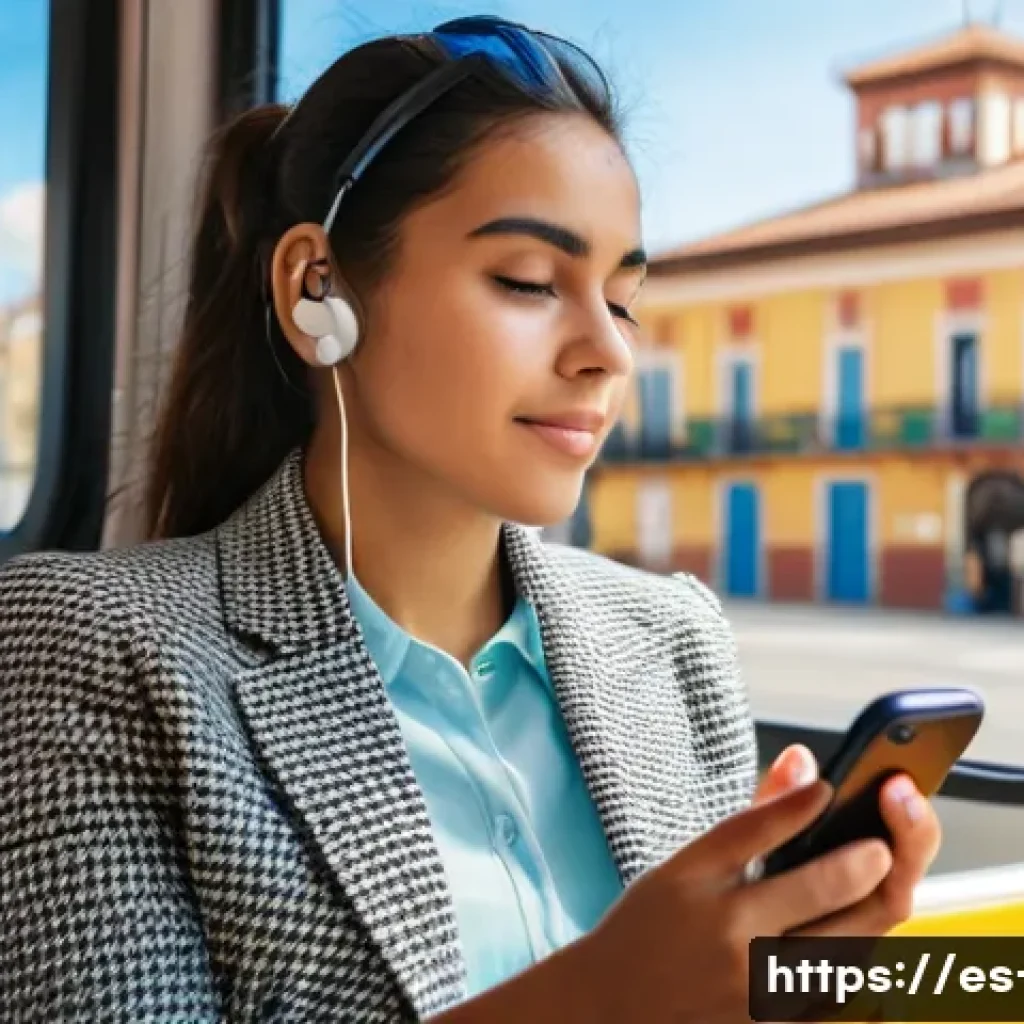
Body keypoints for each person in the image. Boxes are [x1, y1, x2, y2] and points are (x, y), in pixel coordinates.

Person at [0, 15, 939, 1023]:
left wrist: (817, 987)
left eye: (621, 300)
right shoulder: (82, 643)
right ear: (318, 288)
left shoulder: (673, 641)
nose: (607, 353)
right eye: (529, 282)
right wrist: (600, 999)